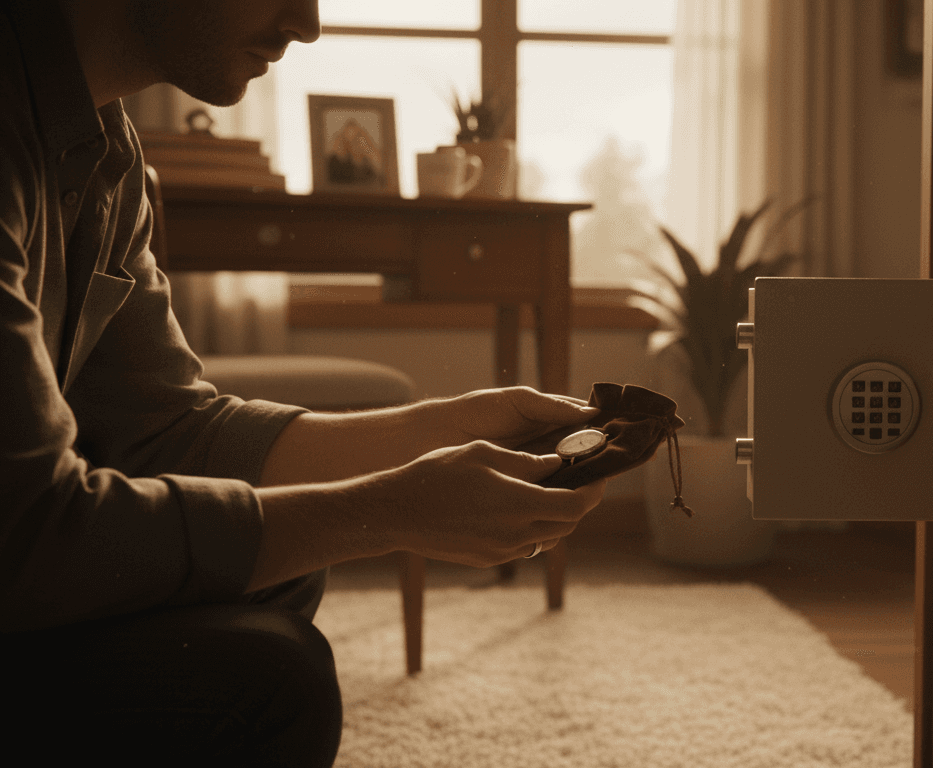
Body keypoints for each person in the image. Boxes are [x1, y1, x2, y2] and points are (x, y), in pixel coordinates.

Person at [0, 1, 608, 764]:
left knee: (272, 578)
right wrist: (386, 513)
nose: (308, 22)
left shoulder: (105, 151)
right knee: (270, 677)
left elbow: (168, 431)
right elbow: (22, 531)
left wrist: (445, 428)